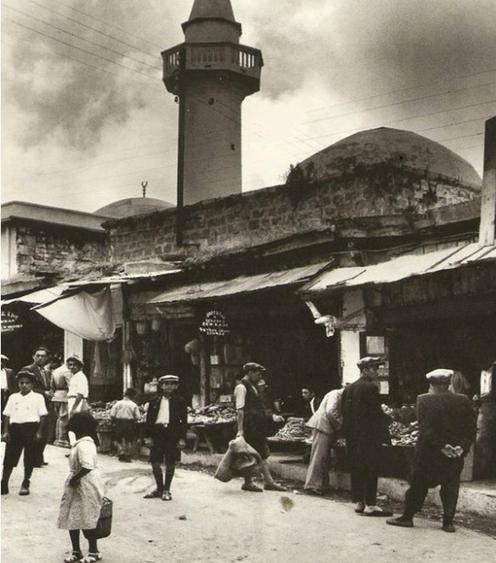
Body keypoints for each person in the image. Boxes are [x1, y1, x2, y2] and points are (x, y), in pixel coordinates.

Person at [387, 369, 477, 533]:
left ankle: (408, 517)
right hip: (454, 454)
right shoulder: (463, 400)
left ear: (431, 384)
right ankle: (448, 522)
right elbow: (470, 428)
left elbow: (426, 429)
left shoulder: (423, 399)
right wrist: (461, 447)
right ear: (448, 383)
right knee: (451, 486)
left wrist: (442, 446)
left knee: (418, 485)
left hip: (429, 454)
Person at [342, 357, 392, 516]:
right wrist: (389, 418)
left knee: (357, 468)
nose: (376, 372)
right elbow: (375, 413)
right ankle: (371, 504)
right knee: (371, 468)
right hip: (369, 436)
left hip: (353, 437)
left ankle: (359, 502)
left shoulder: (349, 389)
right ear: (364, 370)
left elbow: (345, 413)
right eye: (374, 369)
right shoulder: (370, 387)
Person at [57, 412, 105, 563]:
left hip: (85, 484)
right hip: (77, 483)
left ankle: (94, 551)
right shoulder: (81, 443)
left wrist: (74, 479)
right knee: (73, 516)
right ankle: (76, 550)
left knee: (87, 516)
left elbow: (87, 466)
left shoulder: (85, 445)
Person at [234, 362, 287, 493]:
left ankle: (267, 482)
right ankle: (250, 482)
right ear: (250, 373)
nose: (260, 376)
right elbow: (240, 410)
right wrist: (240, 430)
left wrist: (269, 417)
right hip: (248, 426)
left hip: (256, 425)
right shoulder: (241, 387)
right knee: (252, 454)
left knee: (260, 453)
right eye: (258, 373)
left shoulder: (253, 387)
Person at [1, 370, 48, 496]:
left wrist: (39, 432)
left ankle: (26, 482)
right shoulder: (13, 397)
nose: (24, 385)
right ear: (18, 384)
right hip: (15, 429)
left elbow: (43, 416)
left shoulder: (38, 397)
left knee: (29, 457)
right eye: (21, 383)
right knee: (9, 457)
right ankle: (4, 482)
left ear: (32, 384)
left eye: (27, 383)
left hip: (31, 428)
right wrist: (5, 432)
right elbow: (6, 415)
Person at [144, 375, 187, 501]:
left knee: (170, 461)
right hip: (157, 432)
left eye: (172, 384)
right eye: (166, 384)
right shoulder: (154, 400)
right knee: (155, 461)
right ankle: (159, 488)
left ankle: (167, 489)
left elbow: (184, 421)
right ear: (161, 386)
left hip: (172, 433)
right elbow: (149, 420)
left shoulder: (180, 401)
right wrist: (147, 436)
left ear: (176, 386)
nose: (169, 386)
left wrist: (182, 438)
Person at [304, 386, 345, 495]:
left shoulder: (338, 395)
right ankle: (313, 485)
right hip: (323, 426)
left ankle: (322, 485)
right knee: (319, 456)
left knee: (324, 458)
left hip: (326, 427)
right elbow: (331, 411)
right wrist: (340, 425)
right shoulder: (335, 394)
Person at [21, 346, 52, 466]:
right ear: (33, 356)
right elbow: (27, 386)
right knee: (34, 429)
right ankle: (33, 458)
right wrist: (44, 392)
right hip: (32, 403)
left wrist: (50, 393)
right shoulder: (28, 369)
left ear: (47, 358)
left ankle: (39, 456)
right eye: (37, 355)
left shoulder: (47, 371)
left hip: (45, 403)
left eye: (43, 356)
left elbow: (48, 386)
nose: (40, 358)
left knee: (44, 431)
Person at [110, 388, 141, 462]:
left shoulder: (117, 403)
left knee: (118, 439)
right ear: (133, 396)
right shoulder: (134, 405)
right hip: (130, 423)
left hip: (119, 423)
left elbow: (112, 414)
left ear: (125, 394)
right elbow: (138, 417)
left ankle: (121, 451)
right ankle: (127, 455)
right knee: (129, 440)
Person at [51, 358, 72, 447]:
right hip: (64, 395)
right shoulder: (67, 371)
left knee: (59, 418)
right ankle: (62, 439)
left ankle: (58, 438)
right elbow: (71, 384)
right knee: (64, 418)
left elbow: (51, 385)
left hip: (56, 395)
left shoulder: (55, 371)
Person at [1, 354, 16, 420]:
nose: (1, 363)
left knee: (7, 411)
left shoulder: (10, 371)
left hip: (8, 393)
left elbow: (14, 384)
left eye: (3, 361)